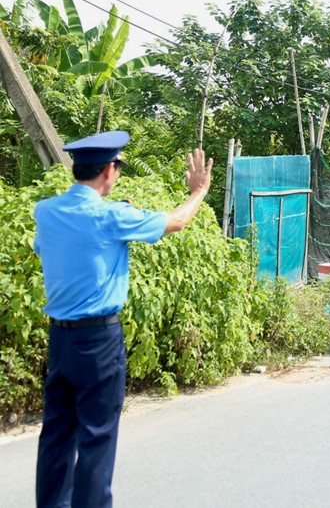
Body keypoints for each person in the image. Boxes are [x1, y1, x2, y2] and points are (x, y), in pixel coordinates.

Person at [33, 130, 213, 508]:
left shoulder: (46, 211)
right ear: (109, 172)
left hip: (60, 340)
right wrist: (198, 191)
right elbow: (177, 221)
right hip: (97, 342)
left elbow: (54, 244)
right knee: (97, 437)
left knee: (56, 435)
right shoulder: (114, 215)